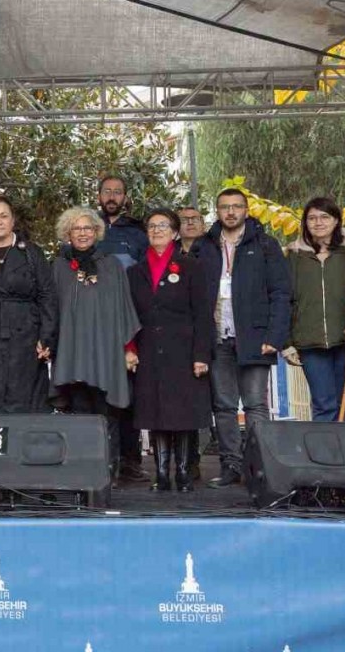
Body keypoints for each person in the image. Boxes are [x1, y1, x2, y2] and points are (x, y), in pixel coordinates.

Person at [200, 188, 291, 488]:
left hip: (254, 337)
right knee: (224, 406)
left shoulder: (265, 245)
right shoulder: (205, 246)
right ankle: (231, 465)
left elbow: (281, 293)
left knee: (255, 405)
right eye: (224, 207)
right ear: (217, 211)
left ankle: (259, 465)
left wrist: (275, 336)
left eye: (236, 206)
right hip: (217, 338)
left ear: (246, 210)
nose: (230, 212)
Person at [50, 206, 141, 478]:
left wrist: (129, 349)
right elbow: (52, 309)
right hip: (73, 353)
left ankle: (108, 467)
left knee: (107, 412)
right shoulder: (58, 266)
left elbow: (125, 308)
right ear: (68, 233)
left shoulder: (112, 265)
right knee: (79, 411)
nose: (82, 233)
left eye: (87, 228)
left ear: (97, 232)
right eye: (76, 228)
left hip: (106, 353)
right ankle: (82, 468)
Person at [127, 208, 213, 492]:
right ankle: (162, 474)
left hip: (184, 351)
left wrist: (201, 355)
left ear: (175, 233)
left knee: (184, 414)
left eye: (163, 225)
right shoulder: (135, 271)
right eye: (151, 226)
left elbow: (202, 314)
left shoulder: (191, 267)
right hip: (149, 351)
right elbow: (128, 315)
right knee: (156, 412)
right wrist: (130, 348)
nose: (157, 230)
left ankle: (185, 473)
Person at [0, 195, 56, 415]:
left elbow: (47, 296)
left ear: (13, 220)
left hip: (26, 338)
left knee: (25, 399)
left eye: (4, 216)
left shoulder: (32, 253)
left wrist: (47, 337)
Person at [283, 197, 345, 422]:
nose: (318, 222)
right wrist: (286, 343)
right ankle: (326, 457)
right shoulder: (293, 256)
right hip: (310, 343)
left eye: (324, 217)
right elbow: (284, 300)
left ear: (336, 220)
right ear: (305, 223)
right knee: (323, 405)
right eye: (312, 218)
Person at [97, 176, 150, 482]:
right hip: (98, 326)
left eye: (117, 192)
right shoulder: (89, 227)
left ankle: (131, 461)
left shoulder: (137, 232)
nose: (112, 196)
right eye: (107, 191)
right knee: (103, 394)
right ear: (99, 194)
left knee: (131, 394)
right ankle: (105, 459)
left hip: (133, 323)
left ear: (126, 196)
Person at [175, 205, 209, 478]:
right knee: (182, 401)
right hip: (179, 339)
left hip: (212, 330)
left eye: (194, 219)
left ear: (204, 224)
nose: (188, 223)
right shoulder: (168, 253)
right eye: (183, 220)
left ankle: (234, 462)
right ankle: (188, 460)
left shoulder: (214, 251)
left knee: (216, 401)